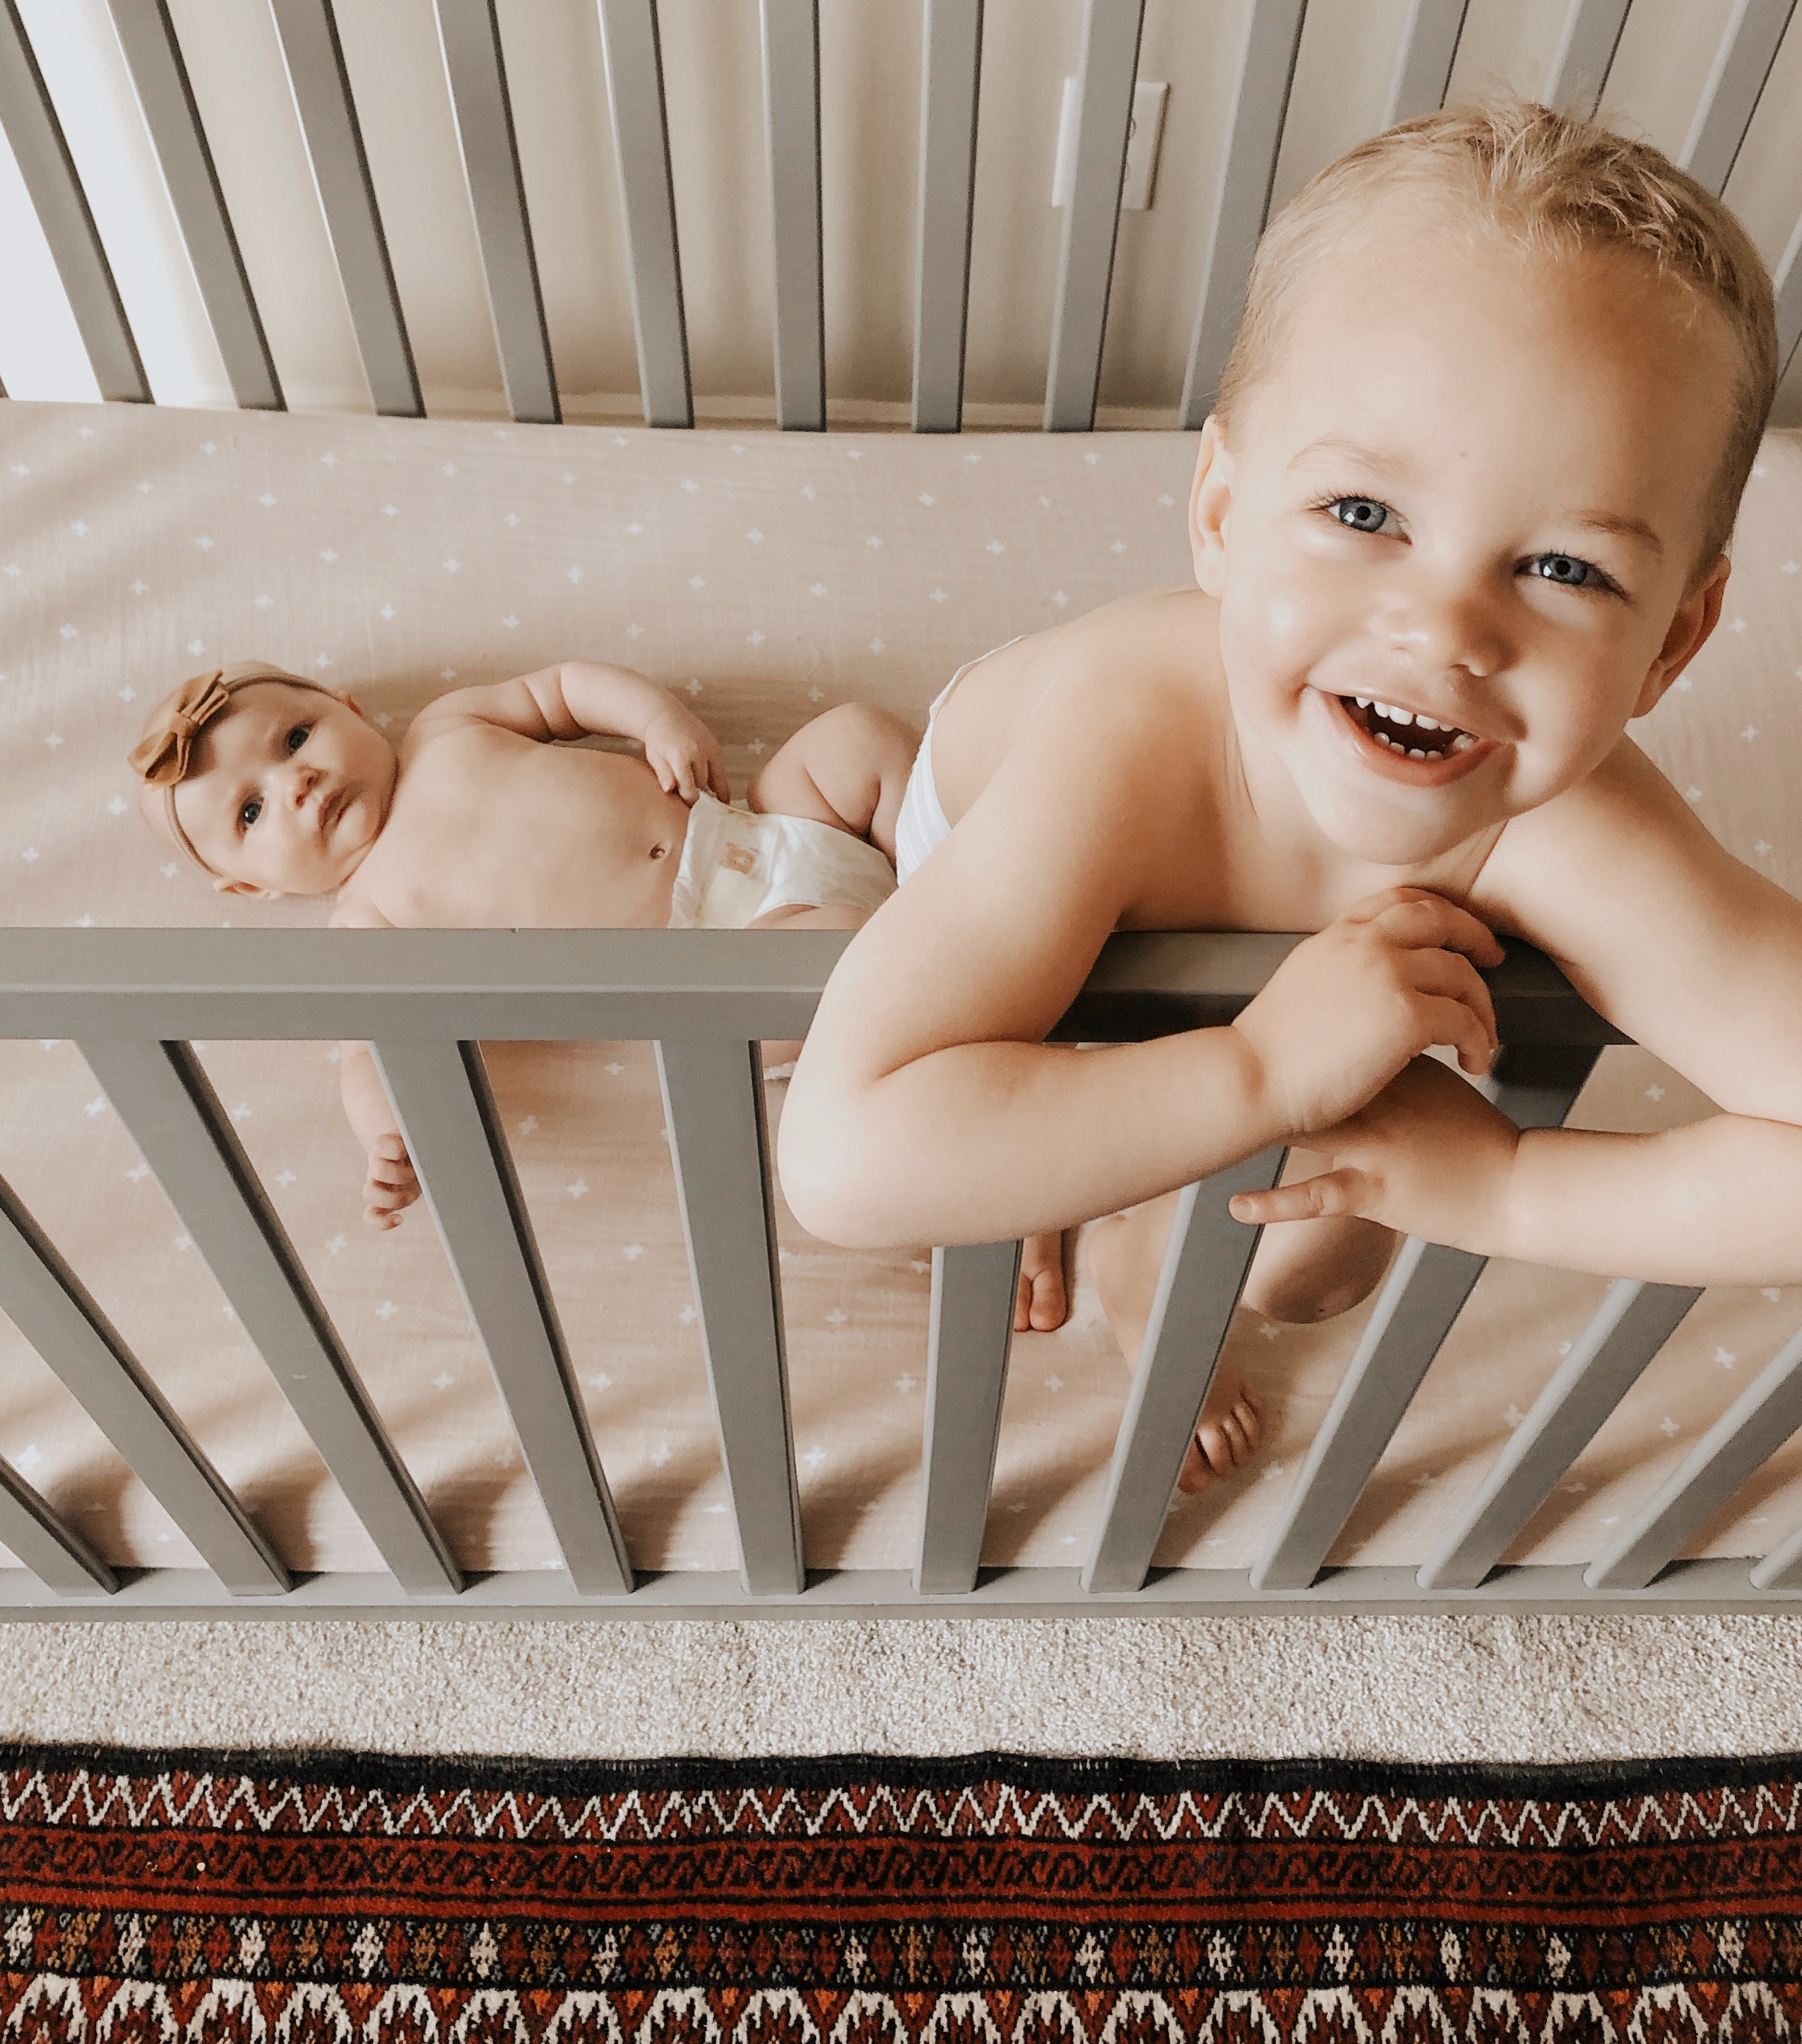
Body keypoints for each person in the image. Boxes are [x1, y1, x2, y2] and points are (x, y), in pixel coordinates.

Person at [778, 95, 1802, 1495]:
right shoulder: (1119, 746)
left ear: (1672, 643)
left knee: (1327, 1244)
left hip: (1276, 1020)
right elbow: (842, 1155)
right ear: (1218, 516)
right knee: (982, 1135)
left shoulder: (1568, 819)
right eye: (1364, 516)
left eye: (1563, 567)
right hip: (1004, 871)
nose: (1443, 631)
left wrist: (1507, 1189)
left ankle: (1149, 1242)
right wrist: (1253, 1070)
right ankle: (1112, 1165)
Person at [128, 657, 916, 1231]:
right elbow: (366, 1054)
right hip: (724, 959)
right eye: (251, 814)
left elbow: (563, 689)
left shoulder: (445, 726)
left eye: (296, 737)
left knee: (857, 737)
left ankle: (945, 870)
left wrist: (657, 720)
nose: (294, 783)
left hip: (757, 823)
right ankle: (960, 944)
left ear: (350, 708)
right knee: (846, 961)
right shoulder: (368, 924)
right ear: (249, 888)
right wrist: (388, 1135)